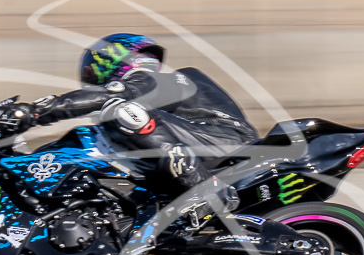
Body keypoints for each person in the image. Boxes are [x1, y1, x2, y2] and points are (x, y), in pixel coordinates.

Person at [20, 33, 259, 229]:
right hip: (201, 148)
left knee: (120, 113)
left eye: (93, 75)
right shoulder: (157, 93)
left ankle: (206, 192)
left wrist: (35, 112)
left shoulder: (151, 81)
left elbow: (113, 96)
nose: (92, 82)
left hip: (227, 143)